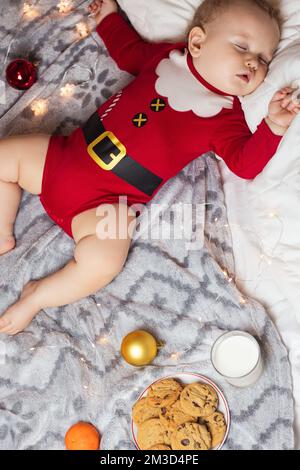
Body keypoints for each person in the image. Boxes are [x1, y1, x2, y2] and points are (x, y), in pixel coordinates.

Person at [0, 0, 299, 335]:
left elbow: (245, 164)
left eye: (264, 59)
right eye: (242, 46)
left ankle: (38, 296)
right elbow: (128, 52)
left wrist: (272, 126)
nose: (252, 62)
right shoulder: (166, 58)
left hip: (103, 205)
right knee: (3, 157)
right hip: (60, 158)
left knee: (102, 263)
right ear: (197, 42)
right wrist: (109, 18)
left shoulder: (225, 118)